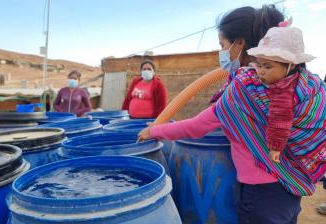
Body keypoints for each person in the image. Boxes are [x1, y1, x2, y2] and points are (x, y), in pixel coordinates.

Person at [139, 21, 326, 224]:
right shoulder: (313, 91)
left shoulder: (242, 92)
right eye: (258, 63)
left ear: (290, 65)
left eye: (222, 45)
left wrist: (156, 131)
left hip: (260, 194)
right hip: (292, 186)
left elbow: (196, 126)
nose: (260, 71)